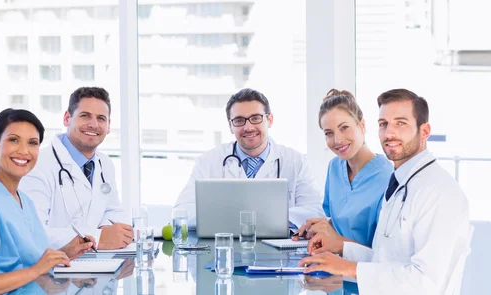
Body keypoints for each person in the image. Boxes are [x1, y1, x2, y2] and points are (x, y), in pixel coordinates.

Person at [299, 89, 471, 294]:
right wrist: (341, 251)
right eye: (383, 124)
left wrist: (349, 267)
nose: (389, 133)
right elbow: (384, 260)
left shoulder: (439, 192)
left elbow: (426, 282)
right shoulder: (401, 184)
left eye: (401, 123)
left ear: (424, 131)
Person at [0, 109, 95, 294]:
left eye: (32, 143)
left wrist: (65, 252)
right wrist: (35, 271)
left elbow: (25, 261)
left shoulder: (22, 200)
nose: (24, 151)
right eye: (13, 140)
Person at [174, 88, 325, 229]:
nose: (248, 127)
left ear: (270, 120)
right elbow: (181, 212)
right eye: (239, 120)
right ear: (230, 126)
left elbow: (315, 212)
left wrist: (263, 219)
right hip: (224, 248)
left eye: (256, 118)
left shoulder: (295, 161)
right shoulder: (208, 162)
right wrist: (245, 218)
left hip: (279, 250)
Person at [19, 87, 132, 250]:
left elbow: (115, 212)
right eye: (85, 116)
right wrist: (98, 238)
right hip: (53, 269)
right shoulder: (37, 165)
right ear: (67, 118)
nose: (93, 124)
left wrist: (105, 229)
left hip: (97, 266)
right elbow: (32, 232)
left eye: (101, 118)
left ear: (108, 126)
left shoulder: (105, 163)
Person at [293, 89, 393, 247]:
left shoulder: (388, 177)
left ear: (362, 125)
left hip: (364, 268)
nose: (337, 140)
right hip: (333, 261)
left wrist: (335, 240)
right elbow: (338, 223)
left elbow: (384, 251)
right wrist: (319, 228)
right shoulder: (335, 167)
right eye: (329, 133)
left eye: (344, 127)